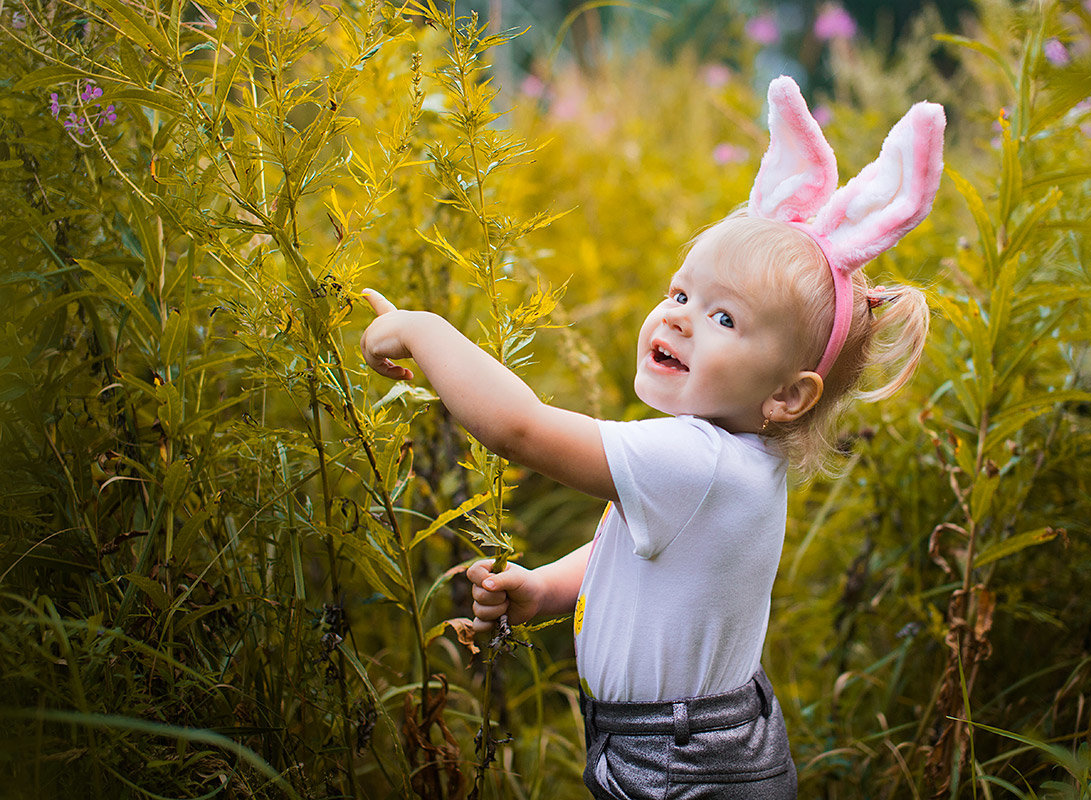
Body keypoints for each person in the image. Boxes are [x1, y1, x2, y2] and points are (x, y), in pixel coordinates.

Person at [360, 75, 945, 799]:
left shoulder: (696, 462)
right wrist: (546, 590)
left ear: (787, 395)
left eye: (724, 318)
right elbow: (636, 555)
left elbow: (517, 427)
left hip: (676, 764)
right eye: (679, 294)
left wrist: (423, 329)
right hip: (696, 743)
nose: (677, 318)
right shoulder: (725, 459)